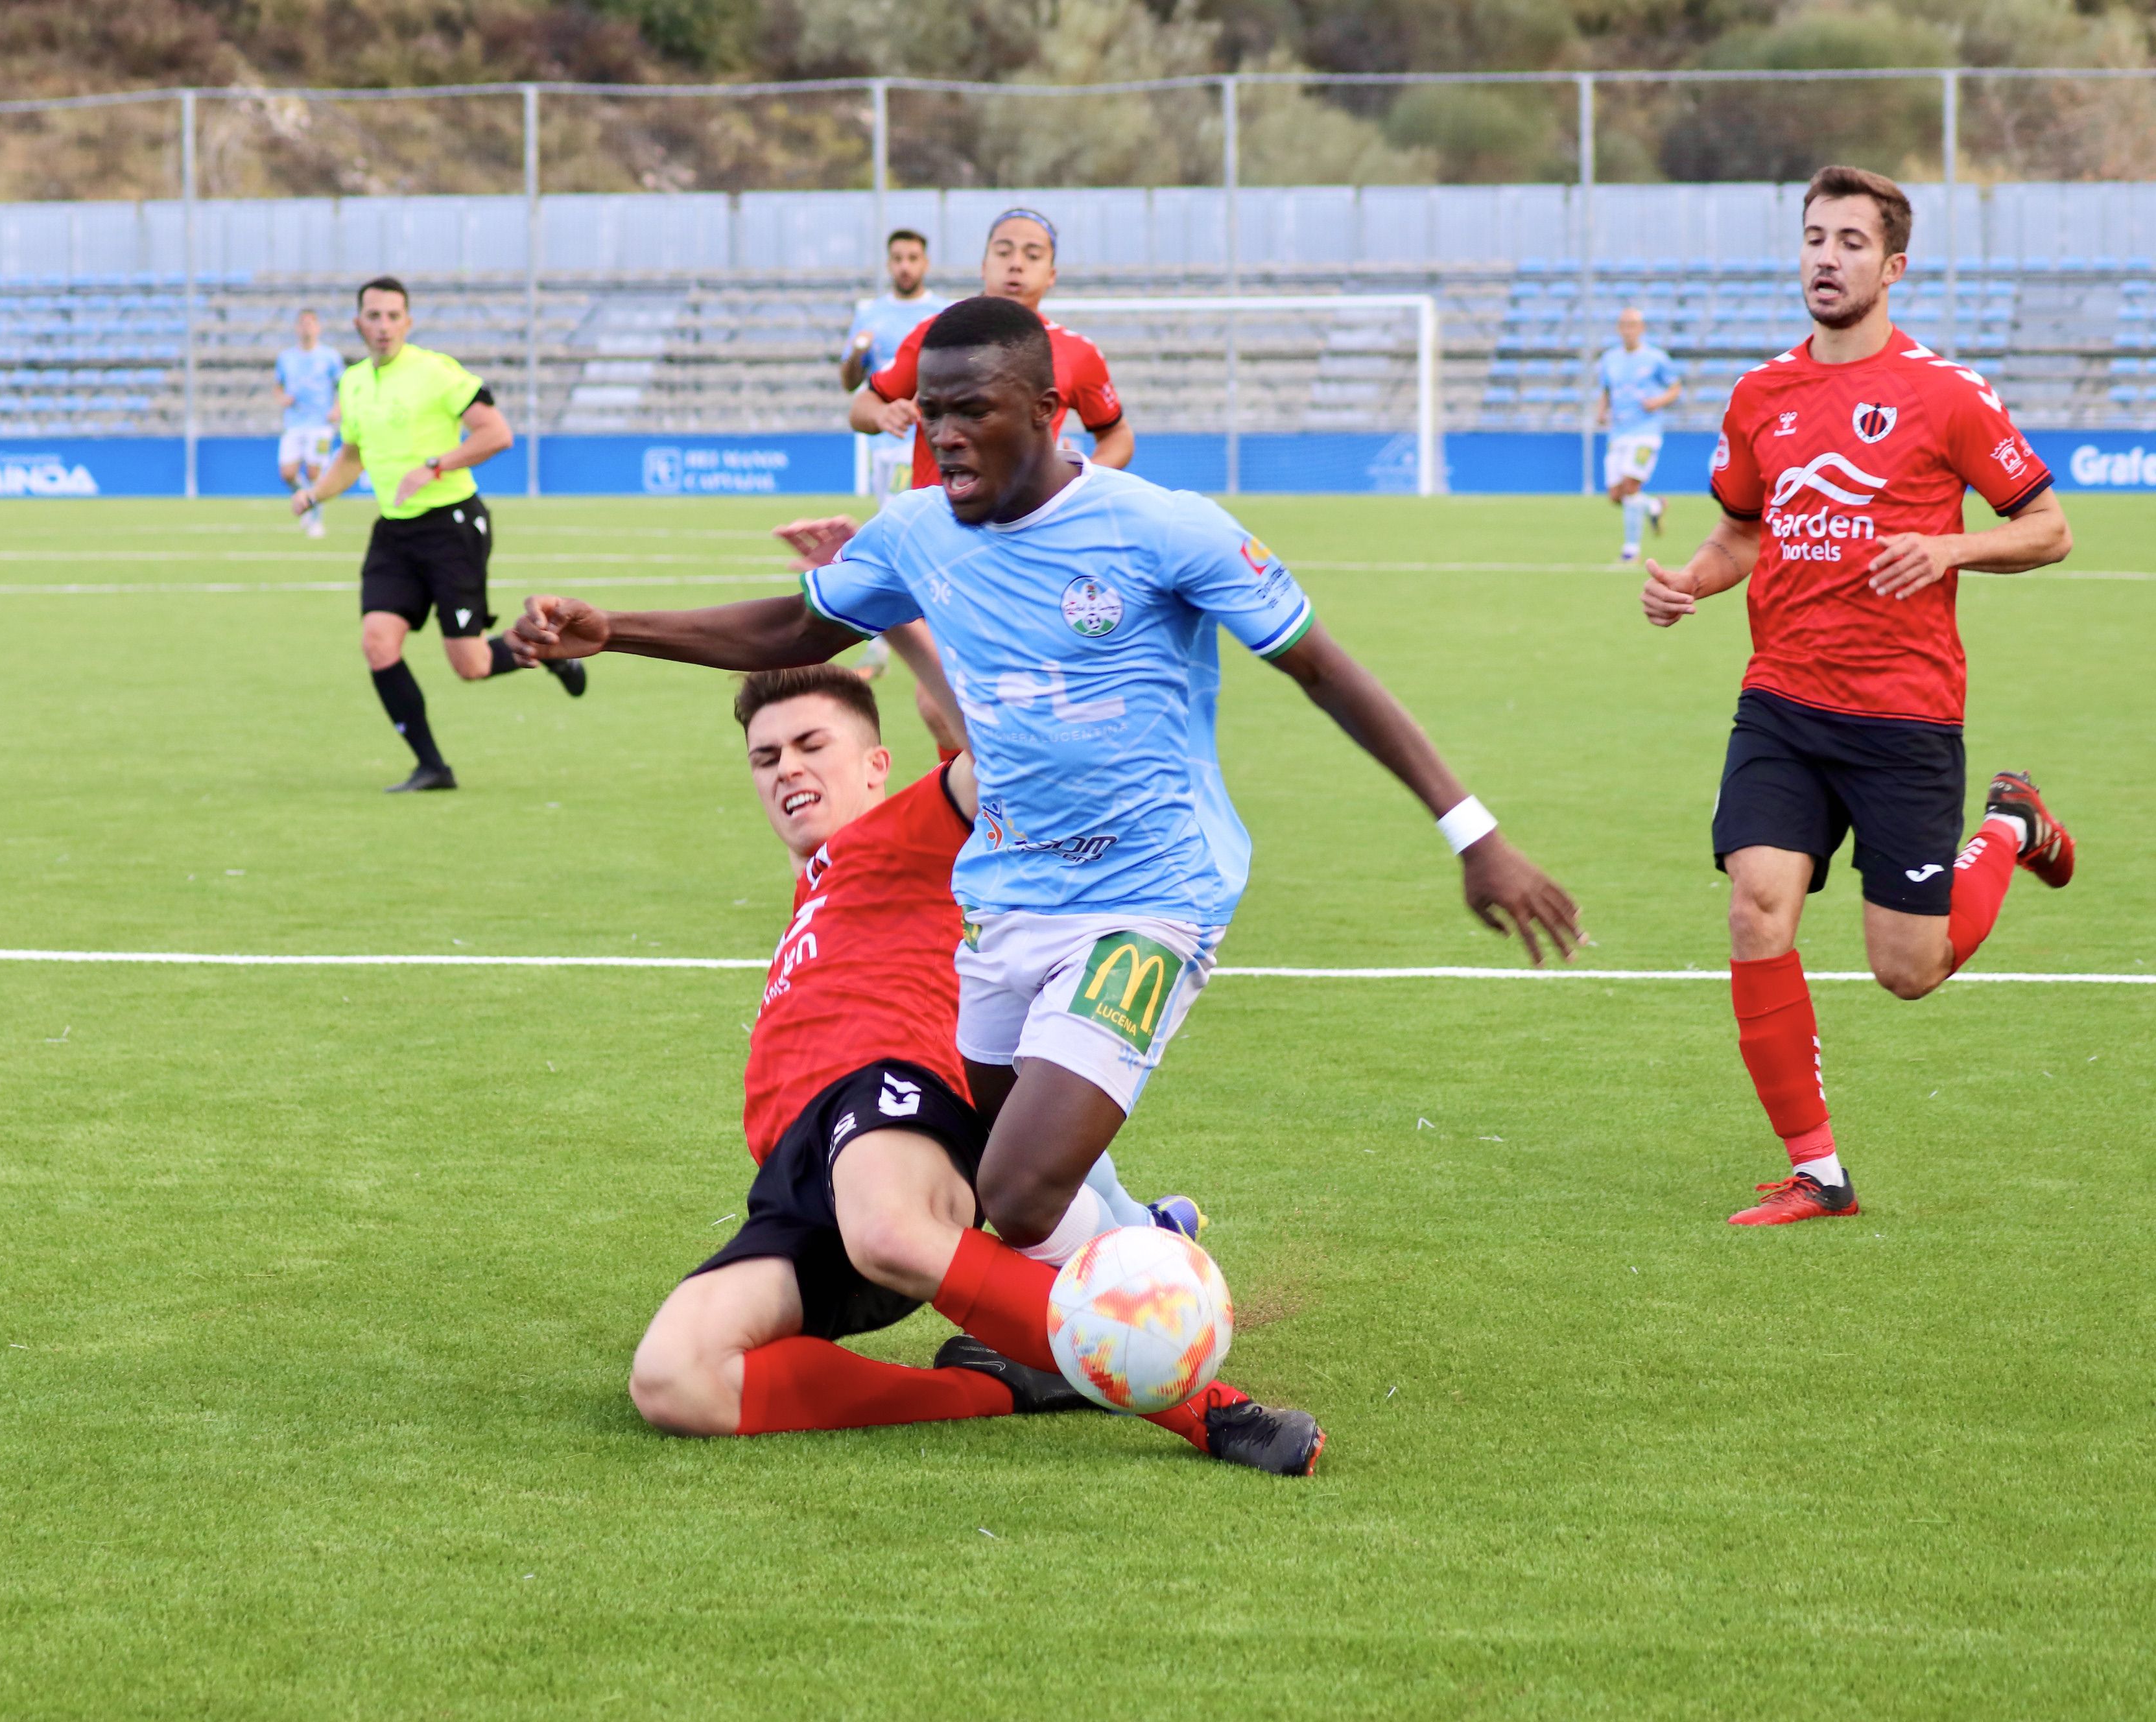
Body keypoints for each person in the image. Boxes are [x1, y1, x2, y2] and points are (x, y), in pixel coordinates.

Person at [518, 296, 1578, 1439]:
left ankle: (1175, 1371)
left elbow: (1323, 670)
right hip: (1005, 910)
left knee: (1016, 1191)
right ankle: (1130, 1261)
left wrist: (1472, 834)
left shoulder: (1161, 529)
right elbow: (795, 634)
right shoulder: (916, 531)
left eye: (971, 410)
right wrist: (613, 628)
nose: (946, 436)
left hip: (1146, 903)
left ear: (1046, 408)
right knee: (998, 1198)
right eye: (930, 415)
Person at [626, 663, 1320, 1474]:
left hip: (890, 1102)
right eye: (766, 755)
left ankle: (1213, 1410)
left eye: (812, 744)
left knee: (891, 1224)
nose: (787, 768)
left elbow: (998, 752)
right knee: (673, 1379)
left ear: (876, 767)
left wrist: (904, 615)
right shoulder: (813, 893)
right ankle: (1000, 1384)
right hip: (798, 1181)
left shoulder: (911, 835)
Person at [1640, 165, 2075, 1226]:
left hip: (1902, 718)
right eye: (1811, 238)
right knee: (1755, 905)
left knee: (1907, 968)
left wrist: (1945, 546)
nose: (1823, 258)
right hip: (1781, 706)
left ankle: (2008, 829)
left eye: (1846, 242)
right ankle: (1815, 1170)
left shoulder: (1945, 394)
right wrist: (1688, 582)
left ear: (1890, 267)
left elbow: (2045, 527)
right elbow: (1738, 529)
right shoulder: (1759, 396)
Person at [293, 276, 584, 795]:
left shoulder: (435, 372)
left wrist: (435, 466)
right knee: (377, 643)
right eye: (373, 316)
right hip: (394, 534)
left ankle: (547, 651)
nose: (383, 326)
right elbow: (351, 457)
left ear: (408, 322)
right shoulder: (354, 382)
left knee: (469, 665)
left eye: (393, 316)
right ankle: (433, 767)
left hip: (452, 527)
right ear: (359, 323)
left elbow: (498, 432)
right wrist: (316, 495)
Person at [848, 209, 1133, 488]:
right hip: (938, 525)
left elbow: (1117, 436)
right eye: (1003, 252)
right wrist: (881, 415)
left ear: (1051, 275)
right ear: (984, 266)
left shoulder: (1077, 352)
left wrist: (1082, 475)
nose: (1016, 264)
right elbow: (862, 408)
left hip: (1027, 528)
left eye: (1032, 255)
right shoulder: (936, 332)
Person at [840, 229, 947, 500]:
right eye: (898, 259)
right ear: (889, 264)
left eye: (913, 258)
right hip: (886, 440)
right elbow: (849, 384)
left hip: (931, 441)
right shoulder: (870, 314)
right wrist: (856, 353)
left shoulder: (944, 313)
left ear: (925, 263)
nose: (905, 267)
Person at [1596, 307, 1683, 564]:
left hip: (1645, 433)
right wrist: (1601, 411)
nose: (1628, 330)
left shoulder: (1656, 358)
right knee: (1616, 495)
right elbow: (1606, 390)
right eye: (1624, 325)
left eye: (1633, 325)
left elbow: (1675, 387)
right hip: (1619, 432)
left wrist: (1658, 401)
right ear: (1619, 328)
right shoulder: (1610, 359)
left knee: (1631, 487)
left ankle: (1630, 551)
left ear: (1642, 328)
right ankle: (1653, 506)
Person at [275, 309, 344, 539]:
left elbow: (341, 387)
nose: (307, 328)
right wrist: (282, 398)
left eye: (311, 324)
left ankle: (316, 519)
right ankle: (306, 500)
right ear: (297, 328)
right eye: (303, 324)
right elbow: (278, 386)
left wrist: (338, 408)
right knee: (287, 473)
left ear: (318, 328)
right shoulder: (286, 358)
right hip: (294, 423)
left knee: (315, 472)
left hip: (321, 424)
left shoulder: (330, 357)